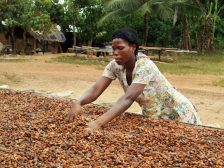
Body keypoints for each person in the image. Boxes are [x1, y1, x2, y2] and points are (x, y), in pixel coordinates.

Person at [65, 28, 201, 129]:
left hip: (178, 112)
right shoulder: (115, 66)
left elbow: (128, 98)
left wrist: (98, 123)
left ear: (133, 47)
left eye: (120, 48)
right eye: (113, 49)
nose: (115, 53)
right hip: (153, 115)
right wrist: (78, 102)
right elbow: (96, 89)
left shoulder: (145, 65)